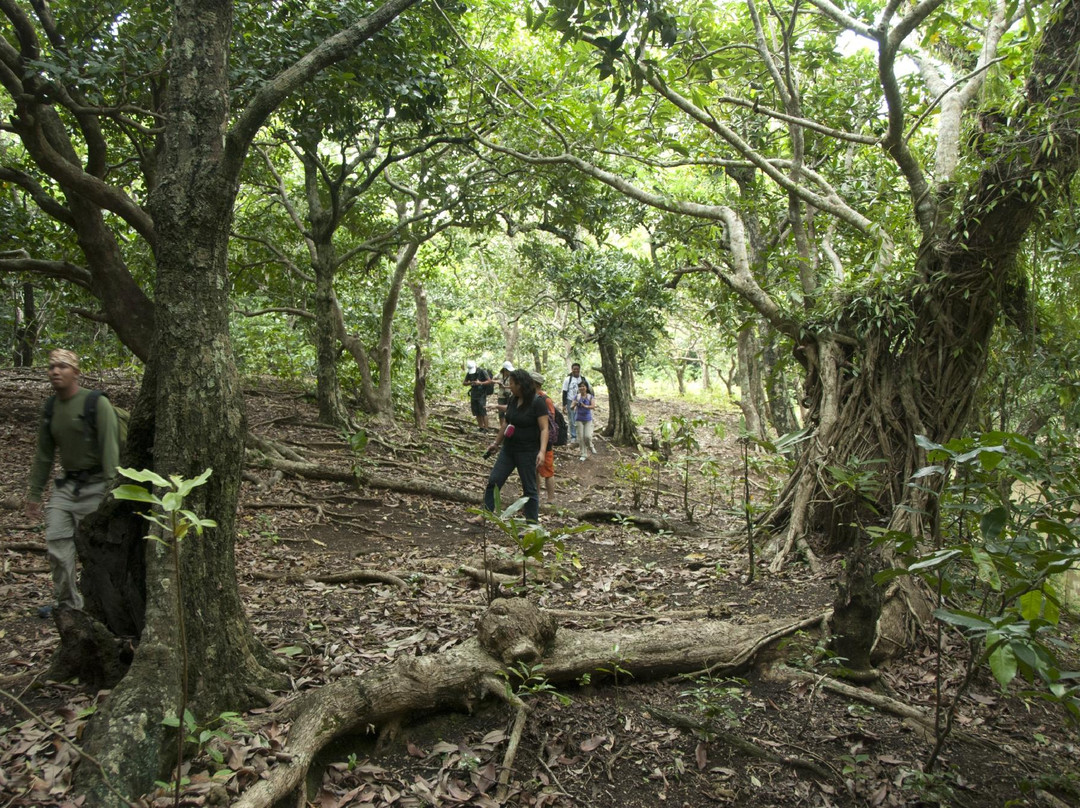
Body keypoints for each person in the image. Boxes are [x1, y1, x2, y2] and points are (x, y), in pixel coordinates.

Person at [24, 349, 120, 614]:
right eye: (52, 366)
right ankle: (68, 607)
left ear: (76, 372)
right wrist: (34, 494)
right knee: (57, 545)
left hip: (97, 485)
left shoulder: (96, 403)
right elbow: (44, 455)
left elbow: (110, 451)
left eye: (63, 366)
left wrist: (111, 494)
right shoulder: (51, 407)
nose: (56, 371)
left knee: (95, 552)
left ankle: (105, 609)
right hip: (67, 488)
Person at [472, 369, 549, 524]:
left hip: (527, 451)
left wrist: (541, 451)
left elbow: (544, 429)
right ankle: (485, 514)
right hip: (509, 449)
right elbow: (506, 423)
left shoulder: (537, 402)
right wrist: (496, 443)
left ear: (521, 384)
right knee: (494, 480)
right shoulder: (514, 400)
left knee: (529, 488)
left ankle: (532, 524)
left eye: (512, 383)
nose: (509, 386)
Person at [530, 371, 557, 504]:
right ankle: (537, 495)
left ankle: (551, 498)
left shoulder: (546, 400)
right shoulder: (530, 397)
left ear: (535, 384)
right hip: (532, 439)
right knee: (534, 469)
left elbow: (550, 421)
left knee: (547, 470)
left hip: (545, 441)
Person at [560, 363, 590, 444]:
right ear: (572, 369)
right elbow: (564, 392)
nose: (576, 370)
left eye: (577, 369)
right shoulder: (568, 379)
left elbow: (589, 390)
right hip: (571, 400)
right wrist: (564, 405)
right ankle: (573, 436)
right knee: (572, 419)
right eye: (574, 369)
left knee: (582, 418)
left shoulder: (583, 379)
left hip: (582, 401)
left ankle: (582, 436)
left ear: (579, 369)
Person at [463, 360, 494, 430]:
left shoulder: (482, 371)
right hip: (474, 393)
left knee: (482, 410)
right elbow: (464, 383)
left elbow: (489, 381)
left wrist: (480, 383)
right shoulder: (469, 373)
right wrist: (471, 382)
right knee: (476, 411)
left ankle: (486, 428)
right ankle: (481, 427)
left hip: (482, 393)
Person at [572, 380, 597, 460]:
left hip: (588, 419)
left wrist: (586, 406)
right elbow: (571, 407)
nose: (582, 388)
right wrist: (574, 404)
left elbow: (593, 406)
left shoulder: (590, 396)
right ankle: (583, 454)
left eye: (583, 386)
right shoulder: (577, 397)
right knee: (581, 437)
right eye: (580, 386)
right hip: (578, 419)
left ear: (586, 387)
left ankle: (590, 446)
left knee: (587, 436)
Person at [495, 361, 514, 428]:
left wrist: (505, 387)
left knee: (510, 411)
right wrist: (497, 382)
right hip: (501, 395)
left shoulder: (512, 375)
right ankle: (502, 427)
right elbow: (492, 380)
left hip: (510, 395)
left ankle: (510, 426)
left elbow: (514, 386)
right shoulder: (499, 375)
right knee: (501, 412)